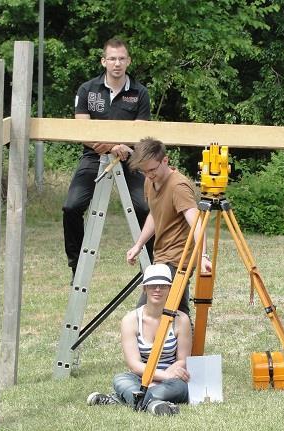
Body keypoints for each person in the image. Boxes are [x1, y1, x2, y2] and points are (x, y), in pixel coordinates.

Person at [63, 37, 152, 280]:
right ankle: (76, 266)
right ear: (104, 61)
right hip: (94, 155)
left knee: (145, 207)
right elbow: (82, 131)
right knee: (71, 207)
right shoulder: (87, 90)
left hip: (130, 157)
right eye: (112, 58)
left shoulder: (140, 92)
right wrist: (111, 147)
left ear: (128, 61)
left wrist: (123, 146)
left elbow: (141, 133)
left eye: (122, 58)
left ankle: (152, 268)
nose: (117, 63)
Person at [87, 264, 191, 415]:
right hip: (141, 377)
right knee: (120, 379)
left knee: (182, 387)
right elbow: (134, 364)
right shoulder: (130, 320)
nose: (157, 289)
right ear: (145, 289)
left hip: (171, 379)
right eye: (152, 285)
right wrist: (158, 378)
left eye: (163, 286)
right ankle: (152, 404)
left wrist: (162, 379)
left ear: (170, 289)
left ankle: (122, 400)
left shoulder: (181, 319)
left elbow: (183, 360)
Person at [125, 137, 212, 317]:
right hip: (161, 256)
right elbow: (155, 215)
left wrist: (203, 255)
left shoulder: (178, 186)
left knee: (148, 311)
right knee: (177, 311)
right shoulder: (150, 180)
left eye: (152, 170)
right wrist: (138, 245)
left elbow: (196, 222)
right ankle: (187, 345)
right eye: (144, 171)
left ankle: (181, 344)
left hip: (178, 258)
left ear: (165, 160)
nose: (149, 175)